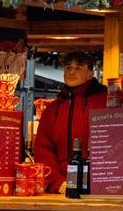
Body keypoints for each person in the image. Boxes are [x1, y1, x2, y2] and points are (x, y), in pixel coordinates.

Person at [32, 52, 109, 193]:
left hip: (99, 187)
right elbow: (43, 150)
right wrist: (58, 183)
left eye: (78, 68)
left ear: (90, 74)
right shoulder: (52, 109)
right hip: (61, 189)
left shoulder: (105, 101)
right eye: (68, 67)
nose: (72, 72)